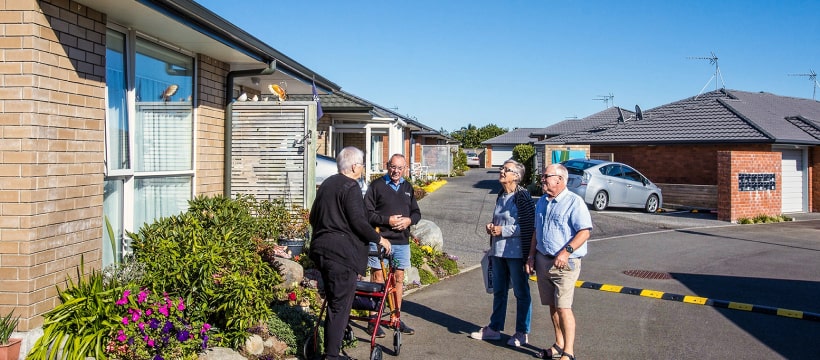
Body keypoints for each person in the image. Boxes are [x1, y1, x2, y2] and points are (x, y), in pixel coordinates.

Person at [308, 146, 392, 360]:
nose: (362, 168)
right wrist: (379, 239)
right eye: (362, 164)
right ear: (355, 166)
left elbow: (312, 217)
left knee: (335, 302)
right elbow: (359, 222)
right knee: (339, 306)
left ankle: (331, 350)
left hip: (321, 250)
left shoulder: (327, 184)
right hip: (341, 255)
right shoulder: (351, 186)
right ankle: (332, 356)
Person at [525, 163, 592, 360]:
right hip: (543, 261)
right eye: (543, 176)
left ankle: (569, 353)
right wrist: (530, 256)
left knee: (563, 307)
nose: (542, 180)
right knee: (552, 306)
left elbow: (585, 231)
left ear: (560, 179)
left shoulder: (574, 202)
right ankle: (558, 344)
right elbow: (537, 231)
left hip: (565, 264)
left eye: (546, 176)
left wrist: (566, 252)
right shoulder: (543, 202)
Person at [470, 160, 535, 347]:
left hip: (516, 253)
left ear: (516, 176)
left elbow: (529, 227)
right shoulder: (501, 195)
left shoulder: (523, 196)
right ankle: (494, 329)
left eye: (506, 170)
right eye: (502, 168)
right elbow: (499, 221)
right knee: (499, 292)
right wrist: (491, 226)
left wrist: (503, 231)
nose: (502, 171)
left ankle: (522, 332)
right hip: (498, 251)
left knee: (521, 293)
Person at [364, 153, 421, 337]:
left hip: (401, 242)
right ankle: (373, 320)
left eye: (400, 168)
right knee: (377, 278)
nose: (396, 171)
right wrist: (386, 220)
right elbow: (367, 214)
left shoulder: (407, 187)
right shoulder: (377, 186)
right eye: (393, 167)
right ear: (387, 166)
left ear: (405, 169)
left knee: (398, 279)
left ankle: (396, 317)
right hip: (380, 240)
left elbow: (417, 213)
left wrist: (409, 221)